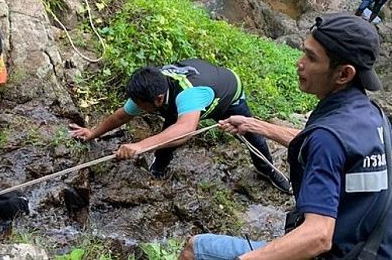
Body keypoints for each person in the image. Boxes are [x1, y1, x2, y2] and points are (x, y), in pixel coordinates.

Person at [181, 13, 391, 259]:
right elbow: (323, 147)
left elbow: (318, 235)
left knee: (196, 249)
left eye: (311, 57)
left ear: (343, 74)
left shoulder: (329, 137)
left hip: (332, 252)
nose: (299, 63)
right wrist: (254, 125)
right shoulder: (372, 116)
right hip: (372, 249)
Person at [69, 59, 291, 193]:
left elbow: (185, 130)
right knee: (166, 137)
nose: (136, 108)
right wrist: (92, 133)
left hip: (227, 98)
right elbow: (121, 116)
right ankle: (159, 167)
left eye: (140, 105)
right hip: (191, 101)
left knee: (254, 138)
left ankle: (267, 170)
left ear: (157, 100)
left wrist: (140, 146)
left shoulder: (188, 95)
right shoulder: (151, 88)